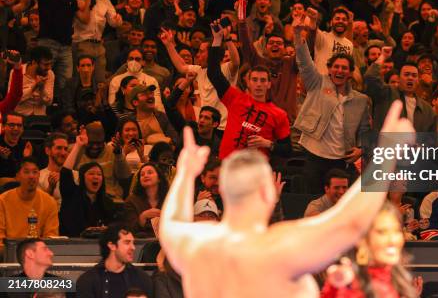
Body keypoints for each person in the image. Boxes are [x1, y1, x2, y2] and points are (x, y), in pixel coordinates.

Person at [159, 100, 412, 297]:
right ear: (267, 192)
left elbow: (169, 225)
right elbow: (350, 221)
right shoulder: (275, 248)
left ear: (224, 191)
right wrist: (387, 154)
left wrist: (185, 174)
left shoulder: (195, 244)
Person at [294, 19, 370, 192]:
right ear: (329, 69)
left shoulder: (361, 100)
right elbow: (304, 63)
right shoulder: (317, 83)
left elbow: (365, 131)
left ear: (351, 73)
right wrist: (298, 35)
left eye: (344, 68)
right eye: (336, 67)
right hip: (314, 155)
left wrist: (361, 149)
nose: (339, 71)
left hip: (341, 161)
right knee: (312, 201)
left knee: (337, 207)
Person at [207, 19, 292, 160]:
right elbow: (213, 73)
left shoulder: (279, 114)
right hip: (227, 167)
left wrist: (268, 144)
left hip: (253, 173)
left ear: (269, 84)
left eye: (263, 80)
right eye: (255, 80)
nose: (259, 84)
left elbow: (287, 150)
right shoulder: (235, 98)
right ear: (248, 83)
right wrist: (217, 39)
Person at [320, 202, 421, 297]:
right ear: (362, 239)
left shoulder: (398, 277)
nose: (393, 240)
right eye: (382, 232)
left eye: (396, 231)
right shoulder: (345, 283)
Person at [0, 159, 59, 254]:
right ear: (17, 176)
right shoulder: (3, 200)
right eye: (26, 172)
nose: (31, 176)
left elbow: (51, 237)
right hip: (9, 255)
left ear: (39, 175)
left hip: (38, 256)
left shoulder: (49, 202)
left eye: (35, 172)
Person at [76, 224, 153, 297]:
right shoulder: (88, 281)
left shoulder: (142, 279)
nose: (133, 247)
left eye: (133, 243)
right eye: (127, 242)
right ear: (112, 245)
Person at [124, 163, 169, 237]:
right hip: (140, 243)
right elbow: (128, 230)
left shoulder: (169, 199)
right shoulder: (131, 201)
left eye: (150, 172)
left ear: (159, 178)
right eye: (142, 174)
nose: (145, 176)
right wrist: (142, 217)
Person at [11, 45, 54, 116]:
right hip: (20, 116)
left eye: (50, 64)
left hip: (40, 118)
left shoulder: (50, 74)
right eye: (46, 64)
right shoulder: (17, 72)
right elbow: (13, 100)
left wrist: (42, 89)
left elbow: (48, 102)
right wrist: (33, 88)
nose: (49, 67)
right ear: (34, 62)